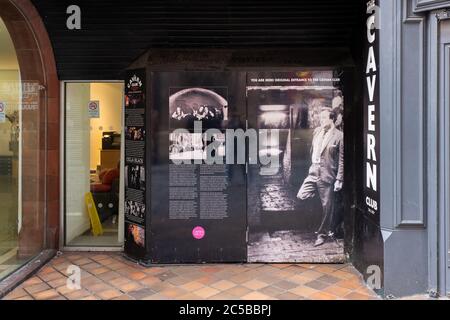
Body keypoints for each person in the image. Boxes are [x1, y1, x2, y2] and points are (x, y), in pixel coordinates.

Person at [297, 107, 344, 247]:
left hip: (327, 174)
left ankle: (322, 234)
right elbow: (313, 150)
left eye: (324, 118)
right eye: (320, 118)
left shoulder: (339, 136)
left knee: (327, 207)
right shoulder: (317, 132)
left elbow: (342, 159)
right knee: (301, 195)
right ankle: (319, 220)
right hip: (314, 170)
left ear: (332, 119)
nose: (321, 120)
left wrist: (339, 179)